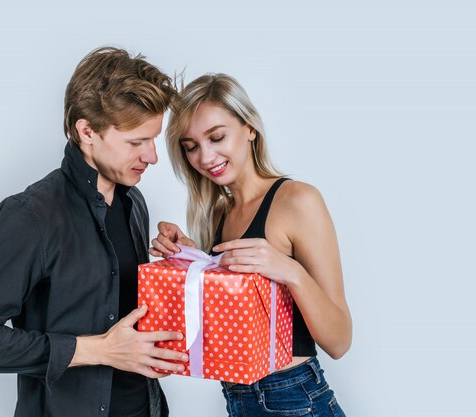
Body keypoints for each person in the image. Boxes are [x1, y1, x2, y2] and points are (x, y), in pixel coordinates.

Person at [0, 47, 189, 417]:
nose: (153, 156)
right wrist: (97, 350)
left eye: (153, 139)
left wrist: (182, 266)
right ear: (87, 131)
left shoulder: (134, 204)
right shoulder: (28, 217)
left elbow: (125, 316)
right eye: (136, 142)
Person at [150, 73, 352, 416]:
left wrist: (290, 271)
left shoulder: (297, 200)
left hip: (295, 399)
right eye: (191, 146)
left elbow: (339, 341)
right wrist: (189, 258)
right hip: (238, 399)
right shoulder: (217, 214)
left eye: (217, 137)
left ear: (249, 128)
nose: (205, 156)